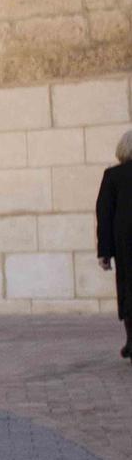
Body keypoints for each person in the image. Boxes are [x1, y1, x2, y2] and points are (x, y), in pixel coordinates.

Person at [97, 130, 132, 360]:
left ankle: (131, 342)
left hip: (126, 244)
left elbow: (105, 214)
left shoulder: (113, 175)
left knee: (129, 290)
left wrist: (105, 252)